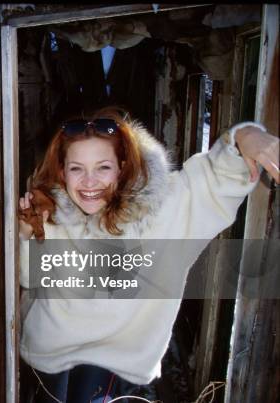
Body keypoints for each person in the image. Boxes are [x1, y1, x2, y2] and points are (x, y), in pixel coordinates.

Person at [17, 107, 279, 403]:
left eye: (103, 167)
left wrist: (246, 136)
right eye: (77, 168)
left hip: (113, 358)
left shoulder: (164, 212)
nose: (89, 183)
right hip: (46, 353)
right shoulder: (52, 211)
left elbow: (215, 178)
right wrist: (24, 235)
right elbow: (30, 277)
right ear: (63, 171)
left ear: (123, 166)